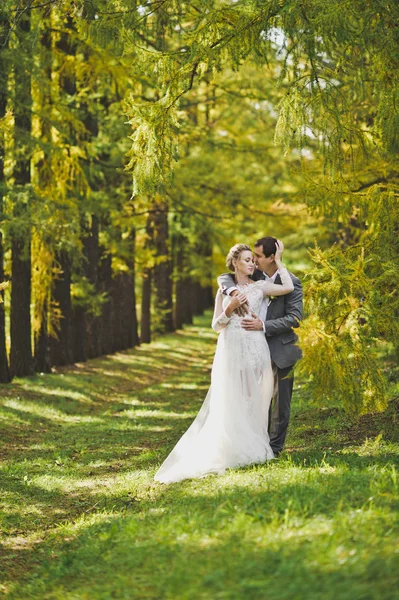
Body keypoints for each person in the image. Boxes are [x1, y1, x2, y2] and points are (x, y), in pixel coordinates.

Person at [154, 241, 294, 484]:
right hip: (232, 348)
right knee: (233, 397)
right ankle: (233, 446)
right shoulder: (225, 290)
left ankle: (257, 446)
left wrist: (279, 259)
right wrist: (229, 309)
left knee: (258, 398)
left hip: (257, 347)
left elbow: (288, 287)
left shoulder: (260, 286)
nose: (252, 263)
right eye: (247, 260)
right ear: (235, 263)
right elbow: (216, 327)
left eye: (254, 259)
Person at [218, 236, 303, 456]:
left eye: (257, 256)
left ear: (272, 257)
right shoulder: (253, 276)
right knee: (251, 398)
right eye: (251, 257)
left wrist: (263, 325)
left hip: (280, 346)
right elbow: (226, 276)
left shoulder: (290, 281)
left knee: (279, 403)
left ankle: (274, 449)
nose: (254, 261)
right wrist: (231, 293)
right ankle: (254, 443)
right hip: (250, 346)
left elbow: (295, 318)